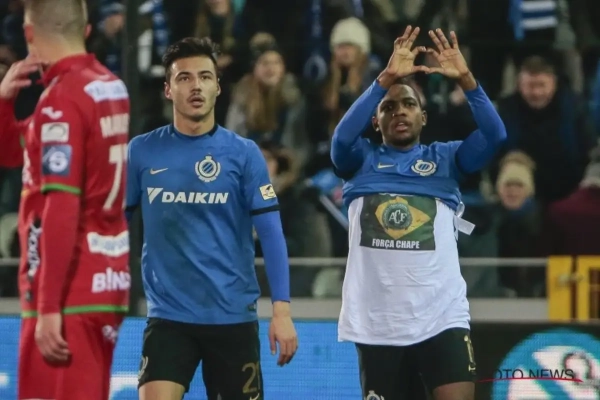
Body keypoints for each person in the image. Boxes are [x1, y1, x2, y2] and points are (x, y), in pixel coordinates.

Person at [331, 26, 507, 400]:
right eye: (388, 107)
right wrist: (384, 79)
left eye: (409, 104)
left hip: (442, 317)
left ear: (423, 117)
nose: (399, 111)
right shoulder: (360, 161)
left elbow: (495, 136)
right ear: (375, 121)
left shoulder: (446, 159)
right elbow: (341, 139)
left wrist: (467, 80)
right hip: (378, 324)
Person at [126, 37, 298, 400]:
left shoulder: (244, 154)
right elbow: (114, 225)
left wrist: (281, 311)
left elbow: (271, 234)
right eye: (184, 78)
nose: (196, 86)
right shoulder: (141, 151)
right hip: (169, 317)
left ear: (218, 87)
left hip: (232, 318)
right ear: (168, 89)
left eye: (205, 77)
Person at [0, 0, 131, 399]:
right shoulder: (110, 86)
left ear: (29, 34)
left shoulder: (61, 100)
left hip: (69, 291)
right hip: (105, 280)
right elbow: (18, 155)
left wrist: (48, 306)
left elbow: (61, 205)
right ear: (86, 31)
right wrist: (3, 104)